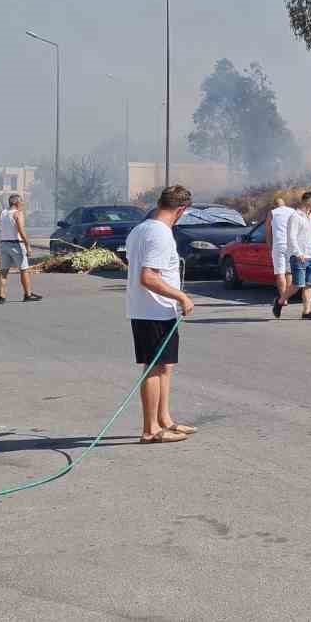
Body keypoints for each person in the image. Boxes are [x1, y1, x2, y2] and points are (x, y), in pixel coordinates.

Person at [125, 185, 197, 444]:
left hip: (157, 310)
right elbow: (148, 277)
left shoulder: (141, 229)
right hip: (151, 310)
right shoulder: (159, 234)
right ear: (181, 210)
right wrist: (181, 296)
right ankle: (150, 430)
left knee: (165, 366)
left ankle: (165, 420)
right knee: (154, 368)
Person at [0, 193, 41, 304]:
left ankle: (1, 297)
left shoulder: (3, 213)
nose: (23, 204)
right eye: (21, 201)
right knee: (24, 269)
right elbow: (21, 230)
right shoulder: (18, 214)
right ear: (16, 203)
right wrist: (28, 245)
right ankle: (27, 294)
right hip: (16, 244)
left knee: (3, 271)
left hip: (4, 244)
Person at [287, 193, 311, 320]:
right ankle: (280, 301)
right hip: (299, 256)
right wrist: (298, 253)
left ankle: (306, 312)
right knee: (297, 285)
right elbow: (291, 237)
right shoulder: (295, 216)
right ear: (309, 201)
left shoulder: (309, 216)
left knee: (309, 284)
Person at [266, 196, 296, 319]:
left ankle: (283, 298)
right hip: (291, 245)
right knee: (289, 272)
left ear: (274, 205)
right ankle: (285, 297)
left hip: (279, 245)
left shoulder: (272, 213)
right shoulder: (292, 211)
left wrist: (270, 246)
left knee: (280, 273)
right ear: (284, 204)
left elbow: (268, 232)